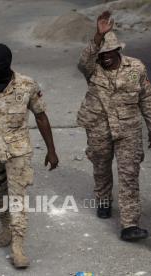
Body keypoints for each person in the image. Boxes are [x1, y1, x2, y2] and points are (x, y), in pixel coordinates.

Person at [0, 44, 59, 268]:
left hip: (17, 151)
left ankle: (18, 246)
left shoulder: (27, 85)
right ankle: (5, 225)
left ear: (6, 65)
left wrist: (51, 151)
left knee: (17, 197)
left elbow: (41, 117)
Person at [77, 11, 151, 241]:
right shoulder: (93, 69)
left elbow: (146, 99)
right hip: (99, 127)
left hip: (128, 130)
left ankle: (129, 225)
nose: (105, 57)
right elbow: (83, 61)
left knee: (129, 175)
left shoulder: (136, 68)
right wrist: (98, 36)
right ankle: (104, 200)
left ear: (118, 50)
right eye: (102, 54)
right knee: (101, 169)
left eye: (109, 53)